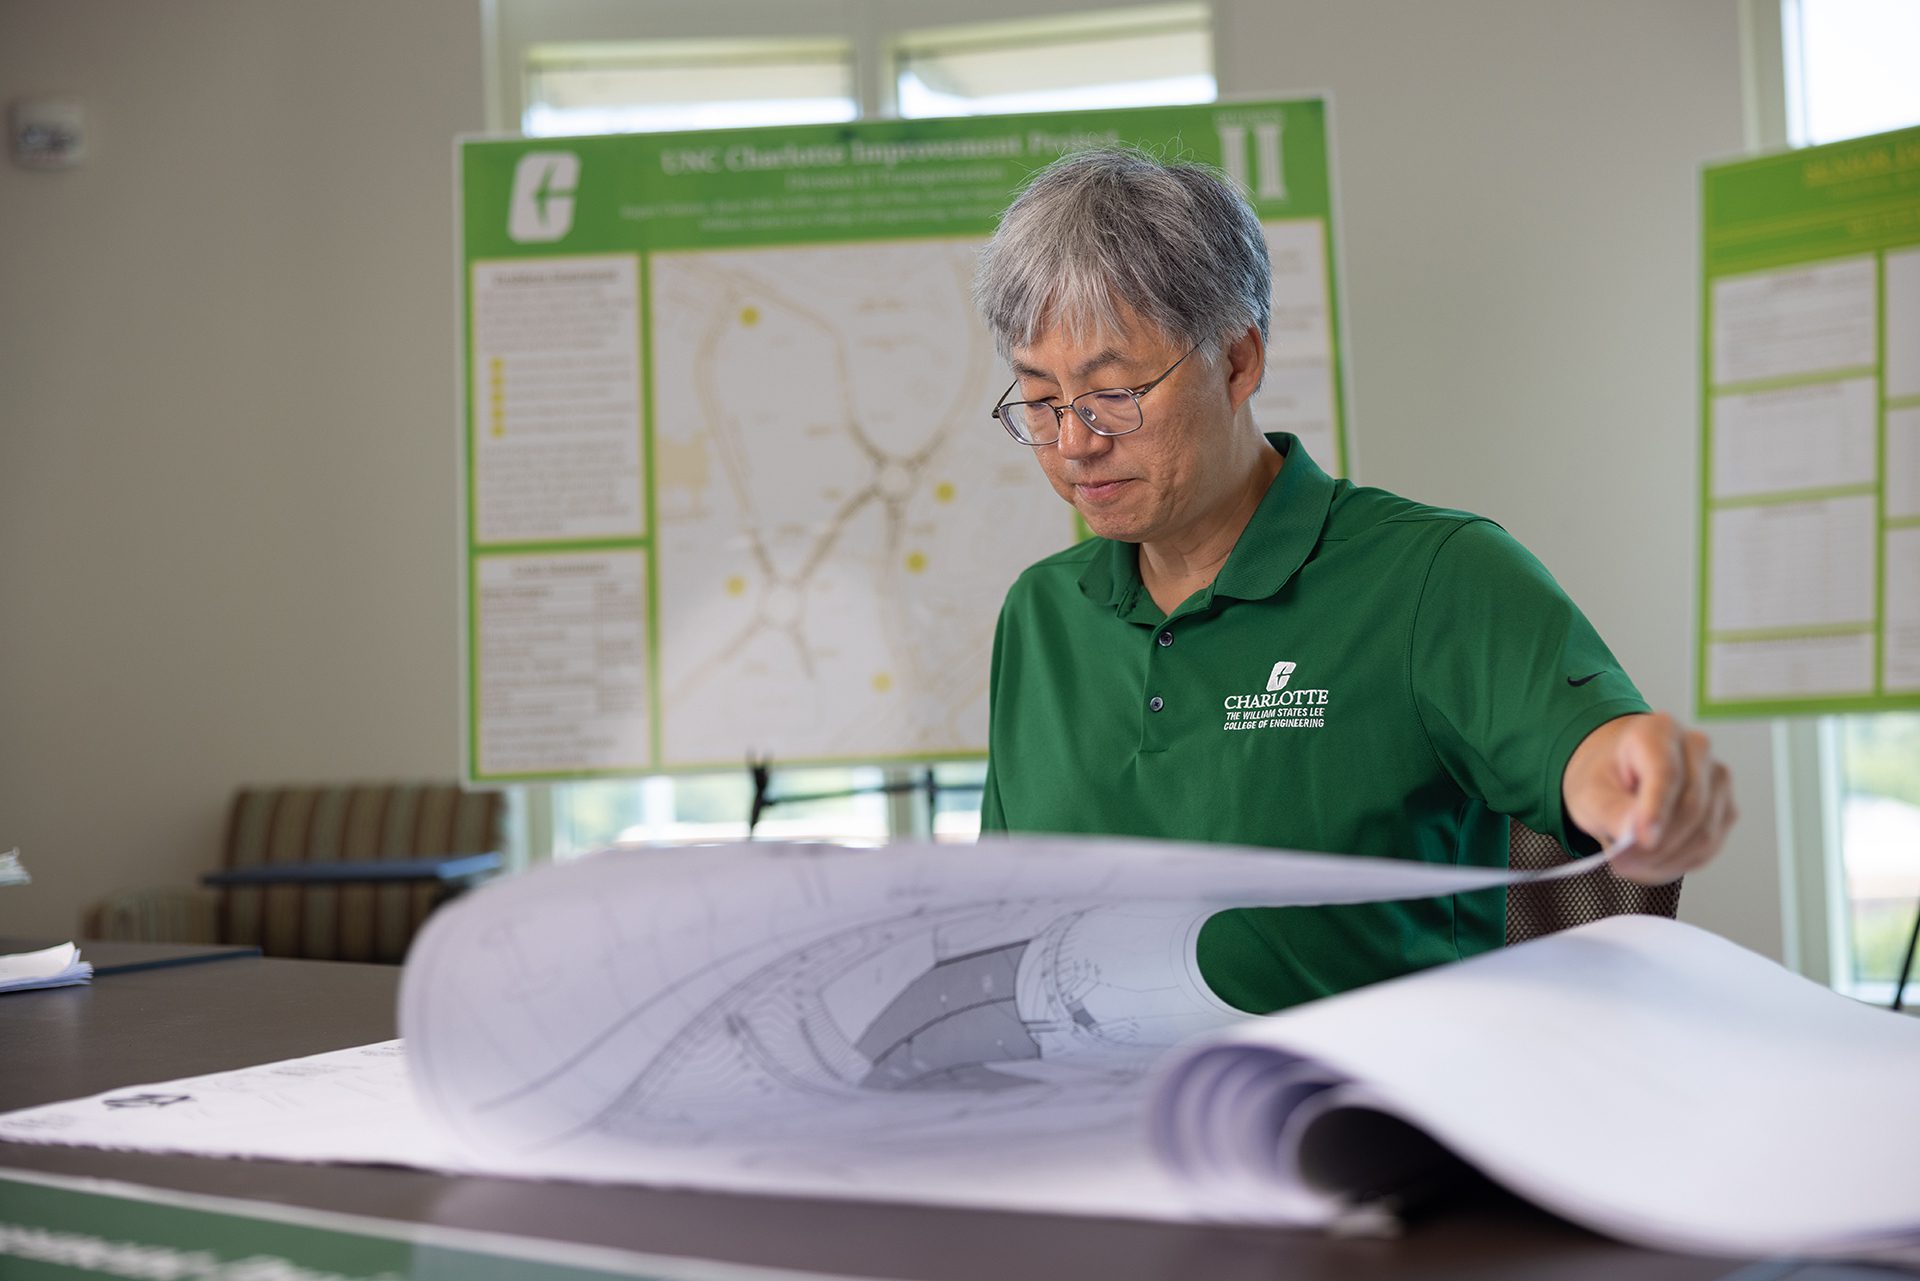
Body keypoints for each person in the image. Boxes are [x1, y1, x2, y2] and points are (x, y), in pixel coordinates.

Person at [972, 146, 1736, 1014]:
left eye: (1113, 392)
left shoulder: (1436, 575)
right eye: (1040, 400)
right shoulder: (1040, 612)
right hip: (1084, 1125)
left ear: (1237, 361)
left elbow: (1594, 755)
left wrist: (1637, 779)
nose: (1075, 443)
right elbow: (1004, 919)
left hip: (1354, 1126)